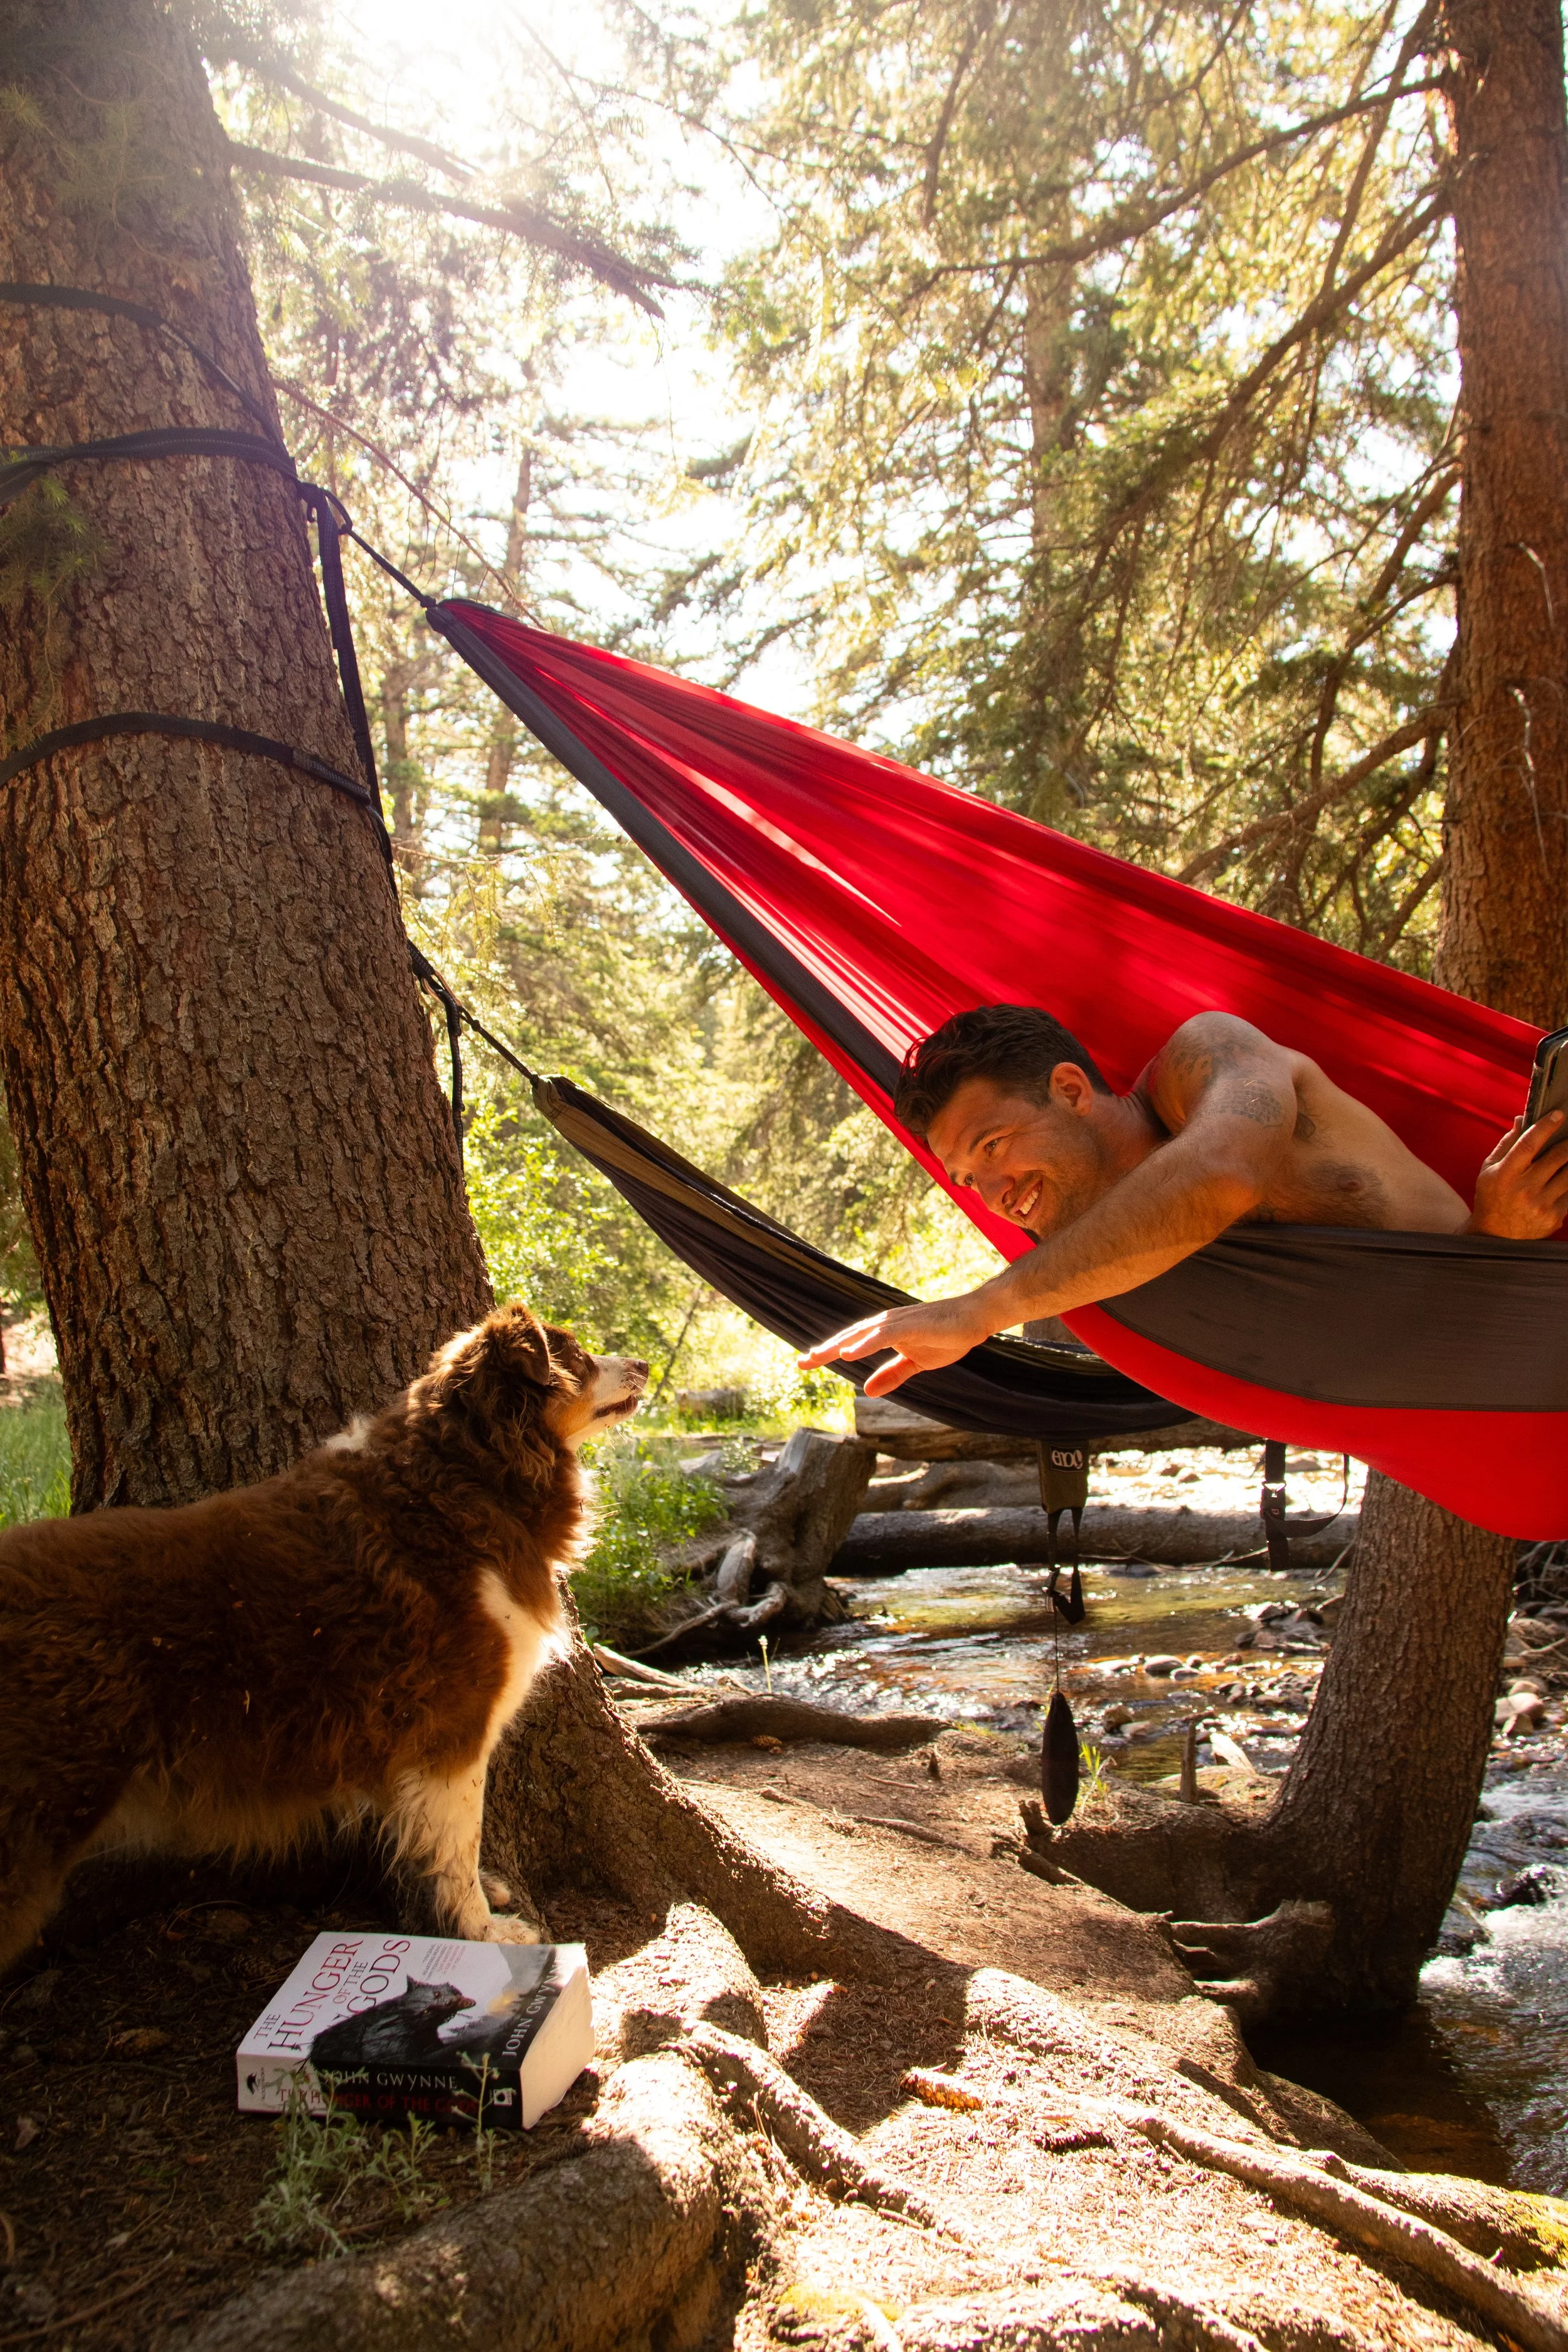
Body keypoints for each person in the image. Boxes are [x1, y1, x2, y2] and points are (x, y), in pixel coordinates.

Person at [800, 1004, 1568, 1398]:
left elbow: (1224, 1173)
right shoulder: (1099, 1271)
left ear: (1070, 1089)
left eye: (994, 1147)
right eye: (968, 1180)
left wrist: (978, 1310)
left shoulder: (1207, 1056)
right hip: (1483, 1406)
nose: (996, 1195)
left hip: (1539, 1310)